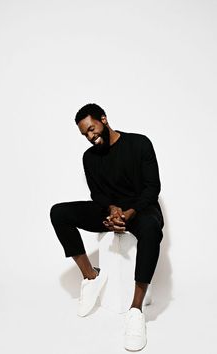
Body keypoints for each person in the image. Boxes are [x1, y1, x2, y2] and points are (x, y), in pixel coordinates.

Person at [50, 103, 164, 351]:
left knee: (151, 229)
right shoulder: (89, 158)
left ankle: (135, 311)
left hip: (141, 209)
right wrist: (112, 210)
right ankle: (91, 277)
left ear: (103, 119)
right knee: (59, 213)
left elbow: (152, 188)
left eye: (92, 129)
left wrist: (128, 213)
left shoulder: (140, 143)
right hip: (110, 212)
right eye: (85, 134)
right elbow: (97, 194)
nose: (90, 137)